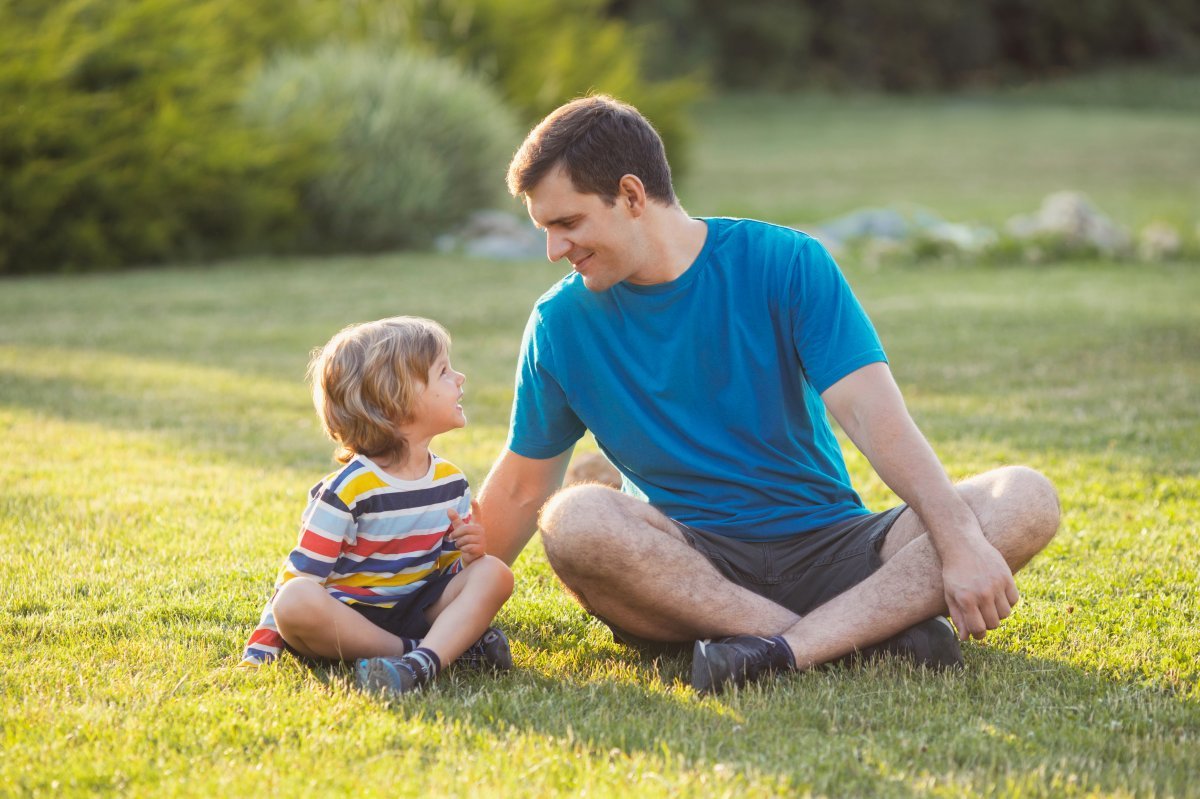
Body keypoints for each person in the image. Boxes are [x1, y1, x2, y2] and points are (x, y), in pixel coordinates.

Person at [475, 95, 1061, 694]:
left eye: (566, 224)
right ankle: (852, 638)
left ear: (630, 196)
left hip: (836, 548)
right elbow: (524, 487)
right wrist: (430, 605)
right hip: (690, 571)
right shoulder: (560, 324)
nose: (553, 250)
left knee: (1025, 498)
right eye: (544, 229)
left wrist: (960, 540)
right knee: (574, 518)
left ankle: (784, 649)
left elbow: (870, 411)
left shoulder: (785, 262)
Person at [241, 316, 515, 697]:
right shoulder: (347, 491)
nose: (460, 377)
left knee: (494, 573)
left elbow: (441, 573)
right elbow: (297, 579)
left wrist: (469, 556)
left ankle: (418, 664)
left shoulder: (451, 482)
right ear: (397, 399)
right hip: (347, 620)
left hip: (415, 608)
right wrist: (262, 648)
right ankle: (428, 655)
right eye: (443, 371)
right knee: (296, 600)